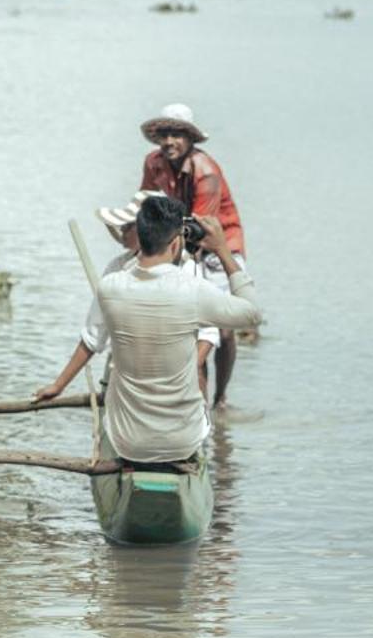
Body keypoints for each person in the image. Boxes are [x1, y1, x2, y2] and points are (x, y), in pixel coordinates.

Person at [33, 196, 259, 463]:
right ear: (177, 243)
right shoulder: (193, 289)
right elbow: (251, 313)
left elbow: (91, 341)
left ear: (139, 235)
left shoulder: (110, 286)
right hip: (182, 441)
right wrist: (222, 249)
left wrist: (58, 386)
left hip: (126, 442)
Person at [138, 103, 247, 407]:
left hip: (218, 244)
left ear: (190, 139)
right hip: (178, 241)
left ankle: (220, 397)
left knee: (223, 330)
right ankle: (197, 407)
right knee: (196, 329)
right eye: (163, 134)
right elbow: (146, 206)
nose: (168, 142)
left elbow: (202, 228)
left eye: (176, 134)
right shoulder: (153, 163)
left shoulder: (206, 170)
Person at [92, 190, 221, 397]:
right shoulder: (117, 268)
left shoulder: (186, 270)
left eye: (129, 226)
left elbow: (208, 332)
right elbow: (94, 334)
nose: (123, 231)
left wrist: (182, 371)